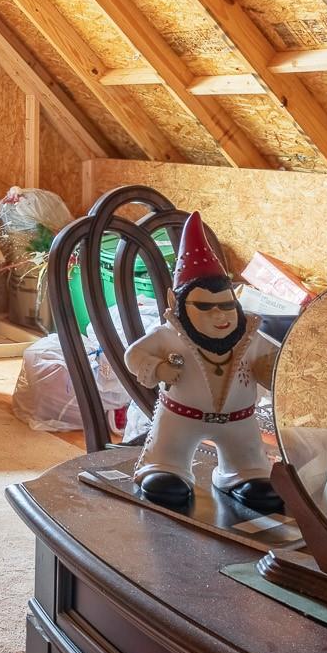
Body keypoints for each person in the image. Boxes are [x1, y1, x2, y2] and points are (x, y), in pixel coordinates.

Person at [122, 212, 281, 511]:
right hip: (180, 420)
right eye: (205, 307)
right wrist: (158, 369)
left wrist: (271, 370)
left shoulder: (249, 335)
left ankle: (243, 473)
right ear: (175, 302)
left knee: (255, 477)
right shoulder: (168, 335)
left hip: (240, 424)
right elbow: (133, 355)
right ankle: (168, 469)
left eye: (225, 305)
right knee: (166, 475)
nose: (219, 315)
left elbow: (273, 363)